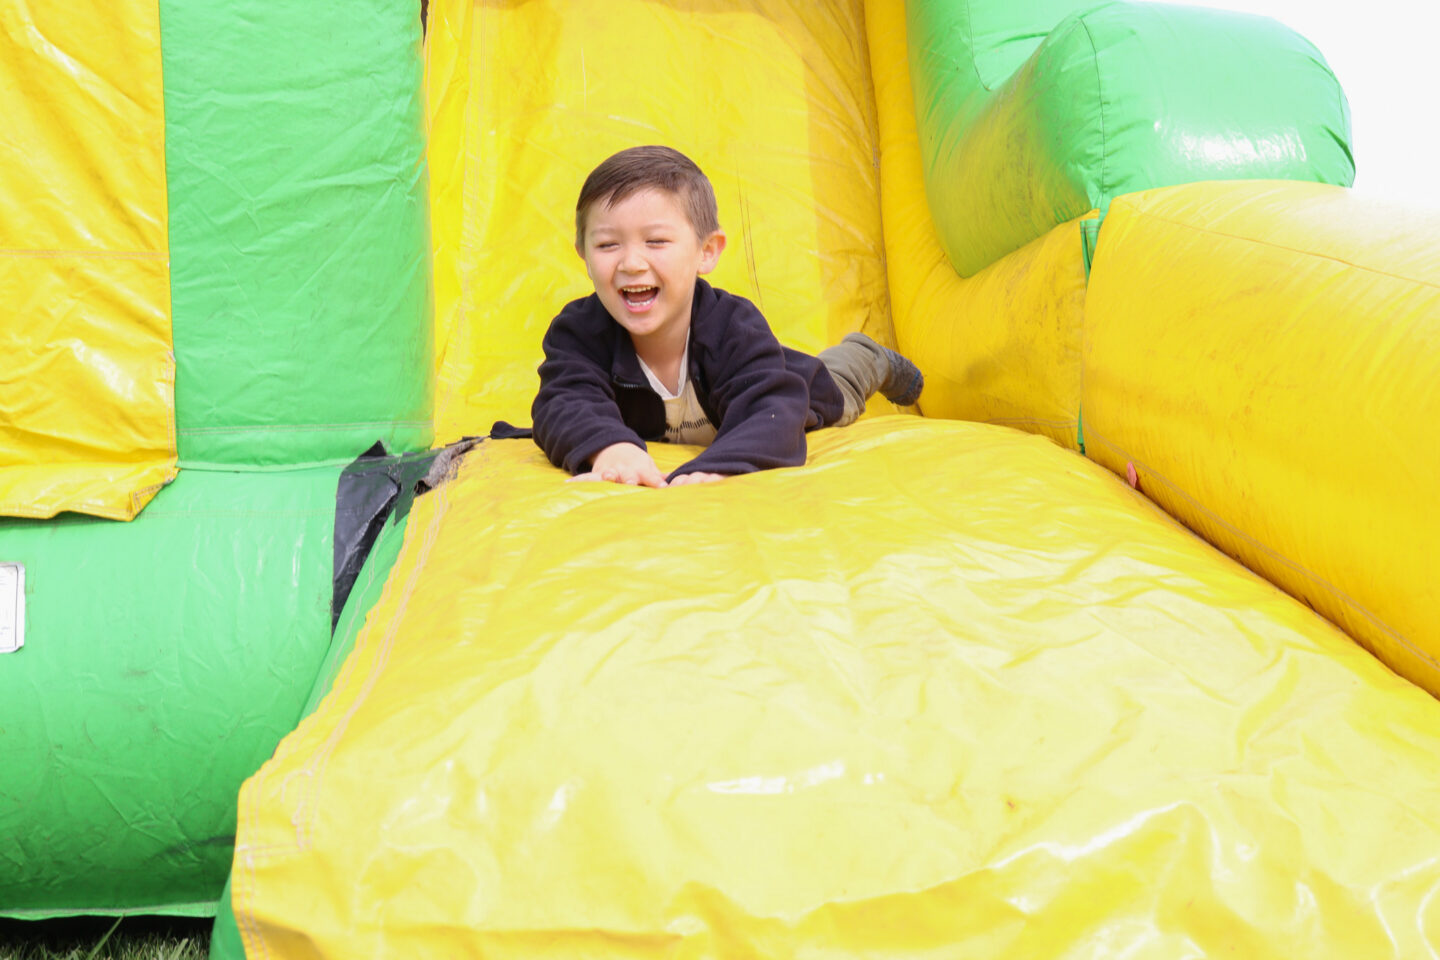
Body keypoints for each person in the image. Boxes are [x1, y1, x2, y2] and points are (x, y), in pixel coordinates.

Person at [531, 145, 923, 488]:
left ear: (706, 251)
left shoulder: (733, 326)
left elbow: (772, 411)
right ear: (582, 253)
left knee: (833, 385)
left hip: (793, 384)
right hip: (711, 409)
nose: (631, 263)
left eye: (656, 241)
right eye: (607, 244)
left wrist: (722, 467)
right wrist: (610, 449)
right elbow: (565, 399)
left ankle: (865, 356)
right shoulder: (578, 332)